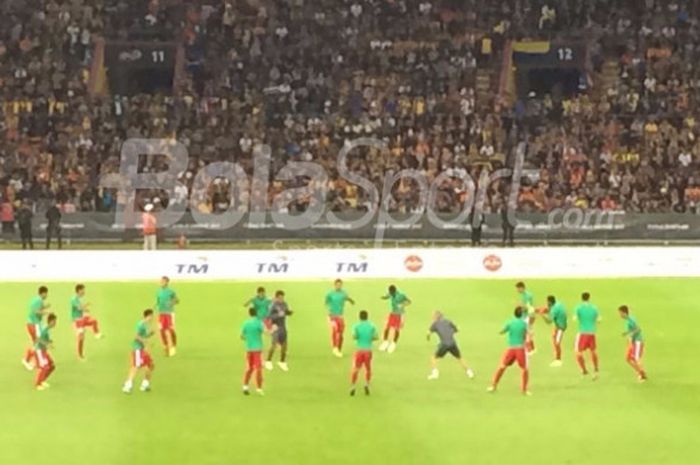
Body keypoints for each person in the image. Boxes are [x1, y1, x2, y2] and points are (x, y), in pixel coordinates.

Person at [488, 306, 531, 395]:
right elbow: (529, 334)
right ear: (522, 314)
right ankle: (524, 390)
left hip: (511, 348)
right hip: (520, 349)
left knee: (502, 366)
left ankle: (493, 386)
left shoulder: (510, 322)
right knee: (524, 369)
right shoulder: (524, 324)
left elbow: (502, 331)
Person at [426, 311, 475, 380]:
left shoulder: (434, 324)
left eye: (433, 316)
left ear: (436, 317)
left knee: (433, 357)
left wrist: (428, 338)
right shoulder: (448, 321)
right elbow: (457, 329)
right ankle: (469, 372)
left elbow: (428, 333)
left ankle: (435, 374)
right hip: (452, 343)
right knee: (459, 358)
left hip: (444, 344)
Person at [122, 309, 156, 394]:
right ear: (147, 316)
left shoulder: (144, 325)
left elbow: (143, 336)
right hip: (137, 349)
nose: (152, 318)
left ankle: (145, 385)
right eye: (151, 316)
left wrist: (150, 334)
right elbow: (136, 336)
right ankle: (127, 386)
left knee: (151, 365)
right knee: (135, 367)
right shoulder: (140, 324)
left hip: (142, 350)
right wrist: (145, 342)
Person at [70, 284, 103, 360]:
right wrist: (85, 308)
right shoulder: (74, 299)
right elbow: (78, 308)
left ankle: (97, 334)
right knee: (81, 338)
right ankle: (80, 355)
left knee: (94, 321)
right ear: (79, 291)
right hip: (77, 321)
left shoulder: (78, 299)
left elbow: (80, 307)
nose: (84, 291)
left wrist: (85, 307)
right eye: (83, 290)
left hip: (81, 319)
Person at [350, 310, 378, 396]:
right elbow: (376, 337)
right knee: (368, 368)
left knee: (356, 368)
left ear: (359, 317)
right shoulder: (372, 326)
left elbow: (354, 336)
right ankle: (367, 384)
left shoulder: (356, 326)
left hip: (359, 350)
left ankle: (353, 386)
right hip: (368, 351)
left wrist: (359, 338)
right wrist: (369, 339)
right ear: (367, 316)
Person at [22, 286, 50, 370]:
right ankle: (27, 360)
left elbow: (35, 309)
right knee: (37, 343)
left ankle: (34, 361)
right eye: (46, 293)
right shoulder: (39, 300)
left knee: (37, 343)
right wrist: (46, 312)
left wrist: (45, 307)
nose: (46, 295)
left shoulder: (36, 300)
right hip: (34, 324)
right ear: (43, 293)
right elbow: (37, 312)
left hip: (31, 323)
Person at [574, 292, 601, 379]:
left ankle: (584, 370)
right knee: (593, 351)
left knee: (578, 352)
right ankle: (596, 368)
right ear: (589, 298)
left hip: (582, 332)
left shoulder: (578, 307)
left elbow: (574, 318)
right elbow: (599, 319)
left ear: (582, 298)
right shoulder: (594, 308)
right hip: (592, 333)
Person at [325, 279, 355, 357]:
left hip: (340, 316)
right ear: (334, 285)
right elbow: (326, 302)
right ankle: (334, 348)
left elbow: (347, 298)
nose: (339, 286)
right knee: (334, 329)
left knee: (341, 333)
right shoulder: (330, 294)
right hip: (332, 316)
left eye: (340, 285)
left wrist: (351, 301)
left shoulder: (343, 293)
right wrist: (330, 310)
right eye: (337, 285)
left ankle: (339, 349)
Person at [265, 290, 293, 371]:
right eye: (280, 298)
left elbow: (286, 312)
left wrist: (289, 313)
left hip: (283, 326)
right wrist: (278, 315)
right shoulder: (273, 305)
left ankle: (282, 362)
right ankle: (268, 361)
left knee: (285, 345)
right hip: (275, 327)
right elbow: (268, 316)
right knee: (274, 344)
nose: (282, 299)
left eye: (283, 297)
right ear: (276, 297)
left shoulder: (285, 304)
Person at [241, 307, 267, 396]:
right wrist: (273, 329)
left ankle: (245, 386)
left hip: (249, 349)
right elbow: (265, 332)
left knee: (250, 368)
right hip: (257, 350)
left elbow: (242, 336)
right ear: (257, 313)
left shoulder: (245, 323)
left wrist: (249, 339)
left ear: (249, 313)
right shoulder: (259, 322)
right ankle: (259, 388)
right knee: (259, 369)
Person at [619, 305, 648, 382]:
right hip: (634, 341)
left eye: (620, 313)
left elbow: (638, 329)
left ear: (624, 313)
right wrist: (626, 333)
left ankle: (642, 375)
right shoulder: (629, 318)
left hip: (637, 341)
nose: (619, 315)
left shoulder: (629, 321)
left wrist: (630, 339)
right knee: (628, 358)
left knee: (636, 358)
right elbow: (634, 329)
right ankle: (640, 372)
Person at [378, 285, 411, 353]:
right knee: (387, 327)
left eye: (391, 292)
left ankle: (393, 344)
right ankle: (385, 342)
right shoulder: (390, 293)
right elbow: (387, 296)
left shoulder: (401, 295)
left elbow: (409, 301)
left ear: (394, 291)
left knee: (396, 329)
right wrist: (384, 297)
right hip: (392, 313)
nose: (390, 293)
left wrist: (402, 305)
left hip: (399, 314)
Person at [541, 295, 567, 367]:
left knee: (557, 343)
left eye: (547, 302)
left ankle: (558, 360)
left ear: (549, 302)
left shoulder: (554, 309)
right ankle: (556, 355)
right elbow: (549, 309)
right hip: (558, 325)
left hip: (561, 327)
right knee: (554, 338)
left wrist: (542, 314)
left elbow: (549, 321)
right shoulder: (558, 304)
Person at [34, 313, 58, 391]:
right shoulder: (44, 330)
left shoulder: (47, 330)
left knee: (52, 366)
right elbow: (38, 339)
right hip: (39, 350)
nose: (55, 323)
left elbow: (46, 339)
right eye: (54, 321)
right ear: (50, 321)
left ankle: (42, 380)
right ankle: (37, 384)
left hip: (44, 350)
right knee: (44, 367)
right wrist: (47, 344)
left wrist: (50, 342)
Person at [156, 276, 179, 356]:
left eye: (163, 281)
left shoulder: (171, 291)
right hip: (161, 313)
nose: (161, 282)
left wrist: (171, 303)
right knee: (161, 330)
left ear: (167, 282)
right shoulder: (158, 292)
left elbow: (177, 300)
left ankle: (173, 347)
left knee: (171, 330)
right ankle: (165, 346)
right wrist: (154, 309)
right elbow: (158, 302)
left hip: (169, 313)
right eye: (161, 281)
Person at [515, 282, 536, 355]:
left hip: (529, 316)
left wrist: (520, 307)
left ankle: (529, 350)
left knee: (527, 333)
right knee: (528, 332)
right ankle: (532, 349)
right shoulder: (524, 295)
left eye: (518, 288)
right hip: (526, 316)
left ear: (522, 287)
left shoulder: (527, 296)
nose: (517, 290)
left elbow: (528, 307)